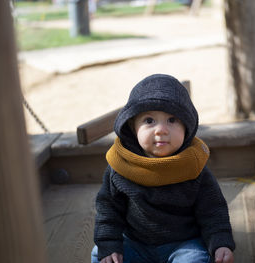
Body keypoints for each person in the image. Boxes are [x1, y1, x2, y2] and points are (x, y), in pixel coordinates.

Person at [92, 74, 235, 263]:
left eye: (172, 120)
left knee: (193, 260)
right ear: (133, 127)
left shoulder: (193, 165)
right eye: (149, 120)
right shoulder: (122, 165)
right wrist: (109, 244)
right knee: (100, 254)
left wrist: (220, 243)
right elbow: (108, 209)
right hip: (136, 243)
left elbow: (213, 210)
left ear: (187, 127)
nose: (161, 130)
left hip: (184, 244)